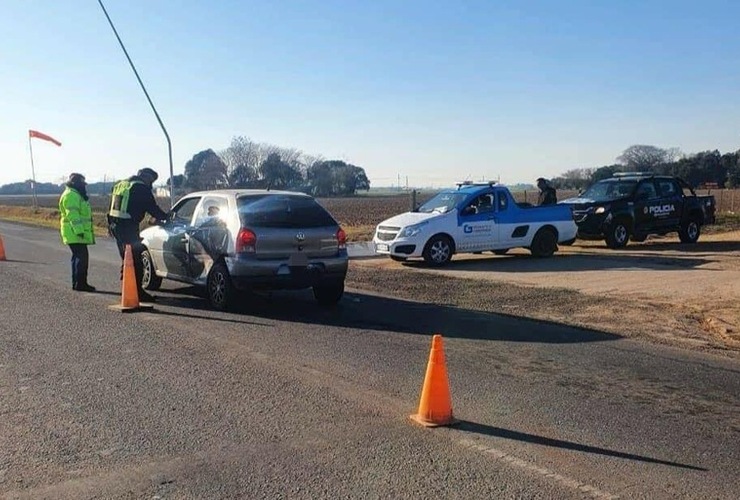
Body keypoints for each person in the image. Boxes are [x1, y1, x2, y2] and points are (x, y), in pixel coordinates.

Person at [107, 167, 169, 302]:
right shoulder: (141, 188)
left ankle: (127, 288)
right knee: (136, 260)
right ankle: (138, 292)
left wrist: (109, 226)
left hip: (116, 225)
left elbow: (111, 206)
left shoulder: (120, 184)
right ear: (145, 177)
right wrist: (167, 218)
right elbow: (152, 208)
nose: (151, 184)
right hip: (128, 227)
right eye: (151, 180)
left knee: (126, 258)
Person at [59, 173, 96, 292]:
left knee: (77, 257)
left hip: (74, 232)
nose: (84, 186)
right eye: (82, 184)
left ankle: (77, 283)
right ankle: (80, 283)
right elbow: (73, 215)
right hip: (75, 233)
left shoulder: (73, 194)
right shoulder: (71, 195)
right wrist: (79, 231)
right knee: (81, 258)